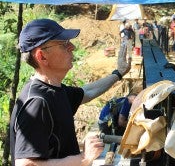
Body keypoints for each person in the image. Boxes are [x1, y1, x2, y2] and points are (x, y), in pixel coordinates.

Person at [10, 18, 131, 166]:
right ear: (42, 56)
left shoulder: (55, 90)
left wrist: (118, 73)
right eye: (64, 44)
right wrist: (84, 158)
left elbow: (87, 92)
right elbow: (25, 164)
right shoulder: (37, 102)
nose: (72, 47)